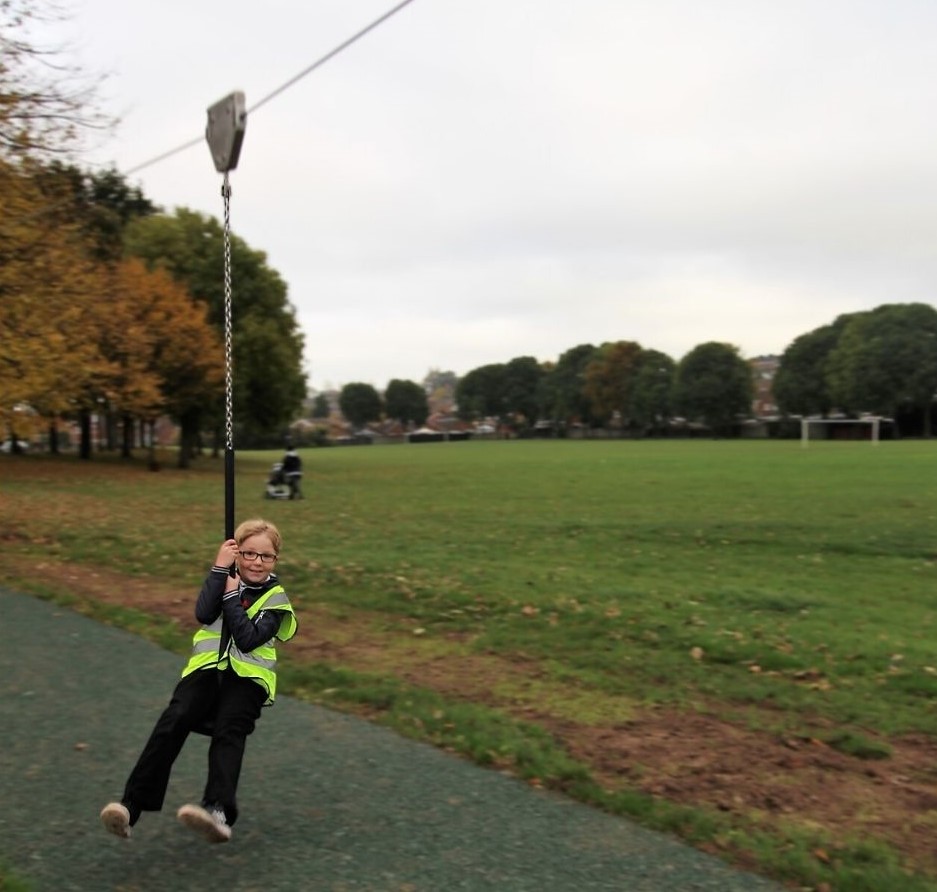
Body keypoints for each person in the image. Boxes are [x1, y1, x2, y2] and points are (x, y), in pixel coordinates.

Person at [100, 518, 298, 844]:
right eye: (248, 554)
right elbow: (204, 614)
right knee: (174, 719)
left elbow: (248, 638)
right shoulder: (223, 578)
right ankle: (130, 807)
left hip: (247, 680)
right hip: (205, 671)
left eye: (266, 556)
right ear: (236, 553)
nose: (257, 562)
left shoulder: (276, 600)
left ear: (275, 559)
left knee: (229, 729)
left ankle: (218, 812)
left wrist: (233, 596)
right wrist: (220, 570)